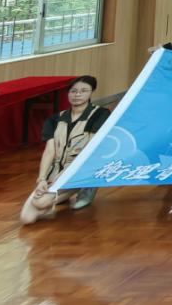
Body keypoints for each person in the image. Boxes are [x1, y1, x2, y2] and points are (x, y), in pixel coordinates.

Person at [20, 76, 109, 224]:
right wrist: (42, 179)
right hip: (55, 173)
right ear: (68, 93)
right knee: (26, 218)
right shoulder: (55, 119)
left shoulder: (100, 114)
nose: (77, 94)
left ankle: (87, 186)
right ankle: (57, 196)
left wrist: (67, 172)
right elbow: (49, 151)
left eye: (83, 91)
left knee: (40, 203)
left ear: (91, 92)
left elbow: (91, 148)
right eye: (73, 91)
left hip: (80, 170)